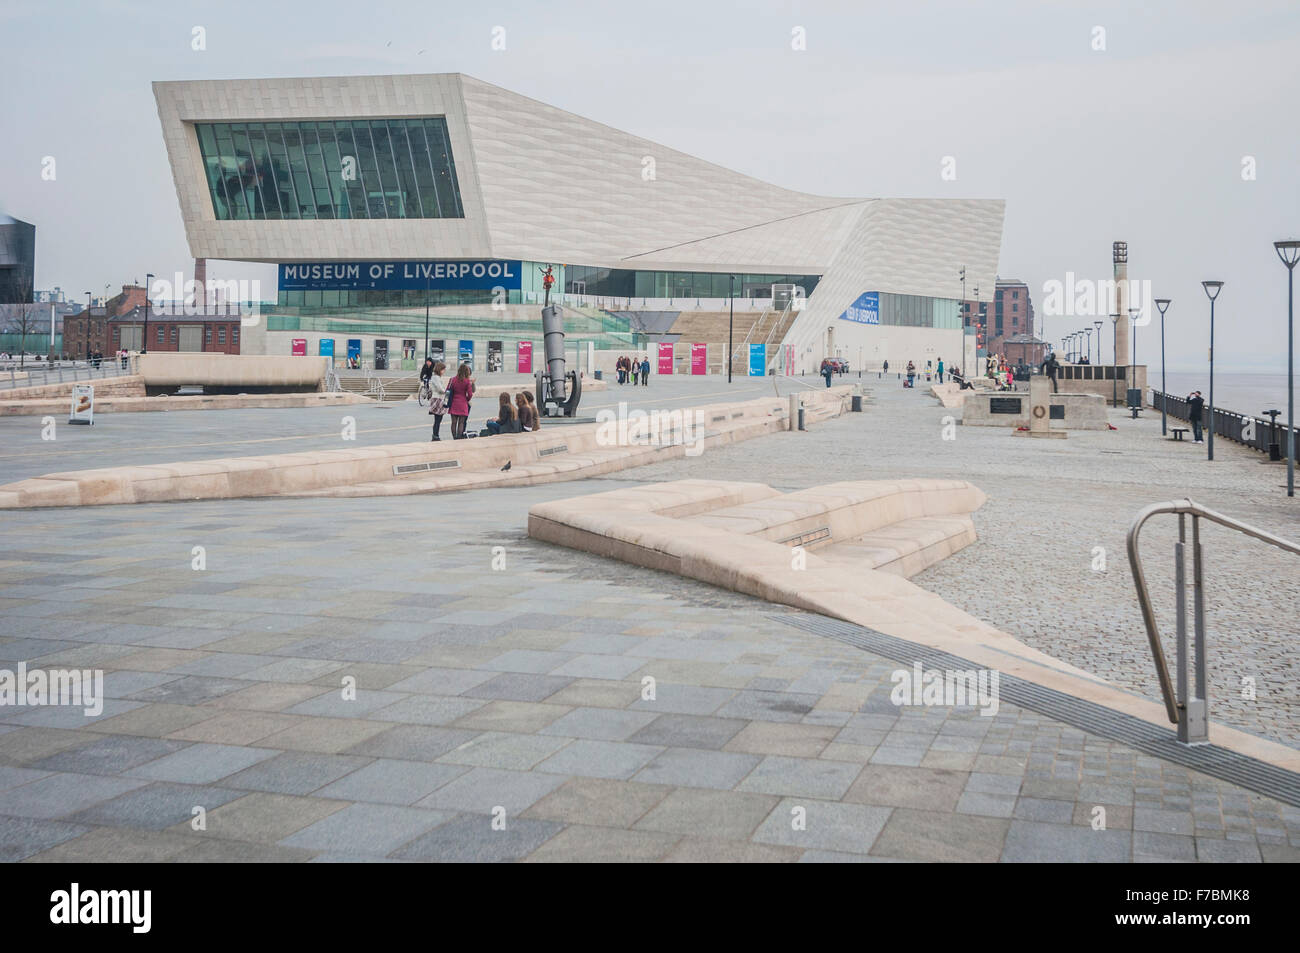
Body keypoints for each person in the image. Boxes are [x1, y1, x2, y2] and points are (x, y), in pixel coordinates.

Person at [446, 363, 475, 439]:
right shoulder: (467, 381)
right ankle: (459, 438)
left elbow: (447, 391)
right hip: (463, 403)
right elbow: (470, 394)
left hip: (453, 403)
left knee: (453, 422)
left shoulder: (452, 380)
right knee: (461, 422)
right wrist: (466, 399)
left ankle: (454, 437)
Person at [427, 361, 448, 440]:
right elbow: (440, 389)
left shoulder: (436, 377)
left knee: (438, 419)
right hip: (437, 398)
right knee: (438, 419)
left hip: (438, 398)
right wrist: (445, 391)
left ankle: (436, 435)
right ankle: (435, 435)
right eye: (443, 370)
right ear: (440, 369)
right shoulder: (436, 377)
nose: (444, 371)